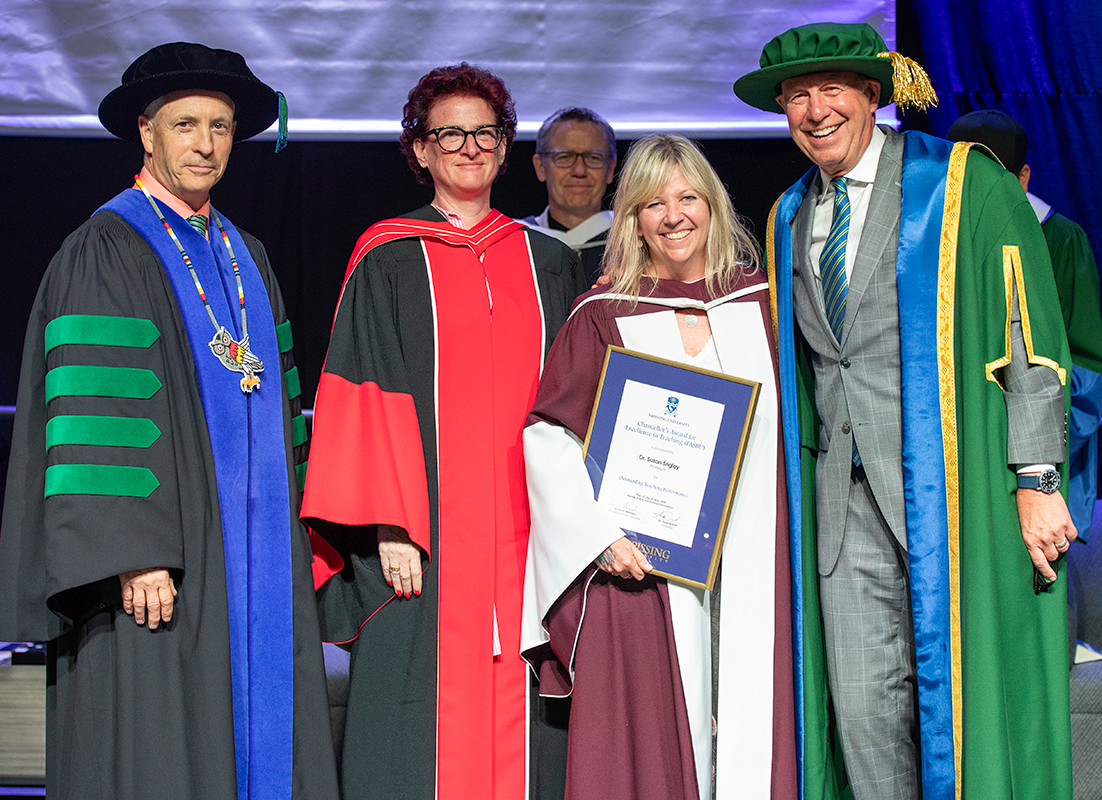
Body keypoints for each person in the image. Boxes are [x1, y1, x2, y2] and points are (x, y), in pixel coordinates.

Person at [734, 22, 1075, 800]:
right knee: (862, 722)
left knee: (966, 717)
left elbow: (1025, 336)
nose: (815, 111)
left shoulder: (961, 184)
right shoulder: (790, 212)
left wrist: (1038, 476)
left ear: (874, 96)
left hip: (956, 497)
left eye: (832, 90)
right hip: (840, 510)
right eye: (796, 97)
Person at [0, 42, 339, 800]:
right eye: (186, 125)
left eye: (220, 126)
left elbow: (277, 406)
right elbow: (100, 416)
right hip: (162, 567)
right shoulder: (108, 249)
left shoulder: (242, 254)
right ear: (146, 134)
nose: (206, 144)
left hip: (254, 564)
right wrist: (134, 552)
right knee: (164, 748)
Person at [300, 63, 584, 800]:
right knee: (412, 730)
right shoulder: (388, 258)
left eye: (484, 132)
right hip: (422, 542)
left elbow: (580, 403)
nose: (467, 146)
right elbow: (360, 395)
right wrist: (388, 524)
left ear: (505, 147)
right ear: (419, 149)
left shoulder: (549, 263)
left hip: (530, 543)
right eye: (447, 133)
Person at [520, 133, 797, 800]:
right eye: (651, 203)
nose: (673, 216)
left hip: (762, 564)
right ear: (632, 219)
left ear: (713, 205)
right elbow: (550, 436)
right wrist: (600, 535)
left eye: (687, 198)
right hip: (647, 570)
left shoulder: (767, 305)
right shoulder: (603, 314)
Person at [948, 109, 1102, 540]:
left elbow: (1088, 369)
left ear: (1023, 178)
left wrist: (1028, 459)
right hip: (953, 461)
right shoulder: (936, 243)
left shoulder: (1059, 240)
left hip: (1035, 458)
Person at [522, 107, 617, 284]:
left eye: (594, 158)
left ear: (610, 169)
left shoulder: (635, 241)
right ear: (540, 167)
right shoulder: (517, 241)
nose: (579, 170)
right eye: (564, 157)